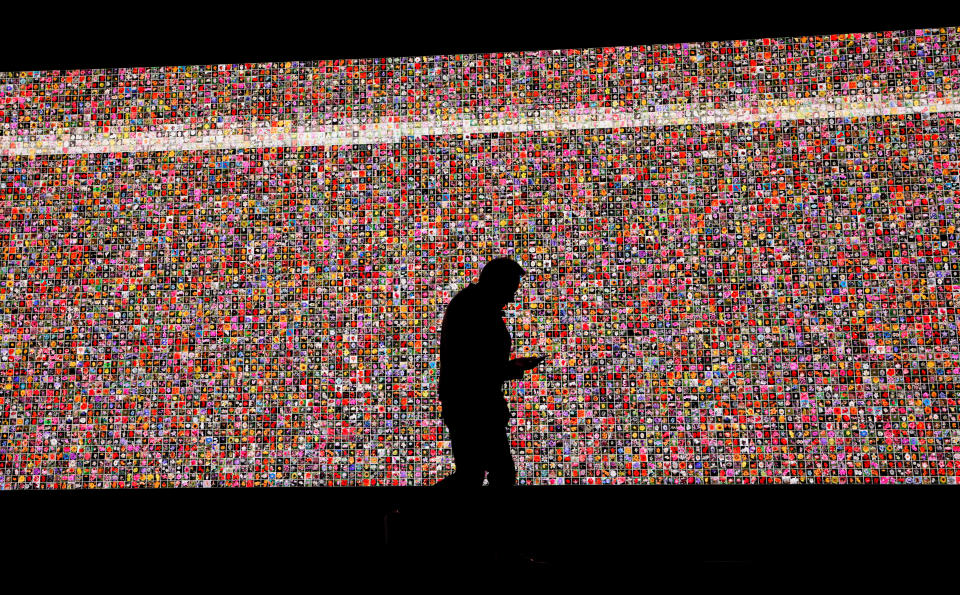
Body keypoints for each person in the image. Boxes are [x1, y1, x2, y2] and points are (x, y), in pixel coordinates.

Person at [434, 256, 546, 487]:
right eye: (510, 289)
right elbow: (474, 366)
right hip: (473, 405)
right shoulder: (475, 308)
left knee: (473, 473)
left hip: (472, 403)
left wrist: (511, 367)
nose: (512, 297)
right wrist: (511, 368)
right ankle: (410, 511)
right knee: (490, 473)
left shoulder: (474, 304)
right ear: (497, 283)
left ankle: (411, 512)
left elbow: (478, 361)